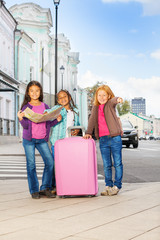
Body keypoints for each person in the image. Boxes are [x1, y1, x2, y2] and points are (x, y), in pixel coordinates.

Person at [17, 81, 62, 199]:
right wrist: (21, 119)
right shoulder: (26, 107)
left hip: (42, 139)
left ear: (40, 92)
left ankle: (45, 188)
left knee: (50, 163)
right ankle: (34, 190)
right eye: (32, 91)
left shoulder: (45, 106)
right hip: (29, 140)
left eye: (37, 91)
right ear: (28, 93)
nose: (34, 93)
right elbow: (26, 126)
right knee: (31, 165)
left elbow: (48, 122)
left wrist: (57, 120)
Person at [84, 85, 123, 196]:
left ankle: (117, 186)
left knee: (118, 163)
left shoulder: (110, 105)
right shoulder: (95, 107)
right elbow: (92, 120)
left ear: (108, 96)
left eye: (104, 95)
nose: (101, 97)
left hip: (115, 138)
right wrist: (88, 132)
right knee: (106, 165)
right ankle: (108, 186)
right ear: (96, 96)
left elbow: (114, 101)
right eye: (99, 95)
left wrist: (118, 99)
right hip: (103, 140)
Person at [44, 89, 80, 192]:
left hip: (70, 142)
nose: (63, 99)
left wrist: (77, 130)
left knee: (68, 164)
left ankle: (66, 184)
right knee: (56, 164)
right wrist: (52, 115)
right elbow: (45, 113)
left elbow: (77, 125)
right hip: (57, 141)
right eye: (60, 98)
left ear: (69, 97)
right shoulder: (56, 109)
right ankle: (54, 186)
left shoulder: (75, 111)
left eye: (64, 96)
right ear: (58, 101)